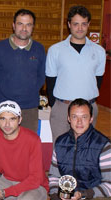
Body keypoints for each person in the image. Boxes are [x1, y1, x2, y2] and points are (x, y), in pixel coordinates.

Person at [45, 5, 106, 143]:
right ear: (69, 25)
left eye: (84, 24)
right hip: (62, 108)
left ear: (88, 25)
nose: (80, 28)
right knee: (60, 147)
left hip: (88, 107)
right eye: (76, 24)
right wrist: (55, 105)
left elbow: (98, 80)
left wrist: (90, 101)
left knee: (86, 148)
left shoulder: (99, 51)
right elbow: (50, 81)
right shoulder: (55, 50)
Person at [0, 9, 45, 133]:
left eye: (28, 24)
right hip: (2, 109)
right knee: (1, 148)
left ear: (33, 27)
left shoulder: (39, 49)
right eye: (20, 24)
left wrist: (27, 94)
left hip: (29, 110)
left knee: (27, 148)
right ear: (14, 25)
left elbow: (41, 77)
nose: (24, 28)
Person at [48, 98, 111, 200]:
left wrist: (83, 194)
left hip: (93, 196)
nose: (79, 122)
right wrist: (56, 196)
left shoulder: (103, 145)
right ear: (68, 118)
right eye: (74, 117)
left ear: (91, 119)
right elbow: (54, 176)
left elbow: (109, 185)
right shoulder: (60, 142)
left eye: (84, 117)